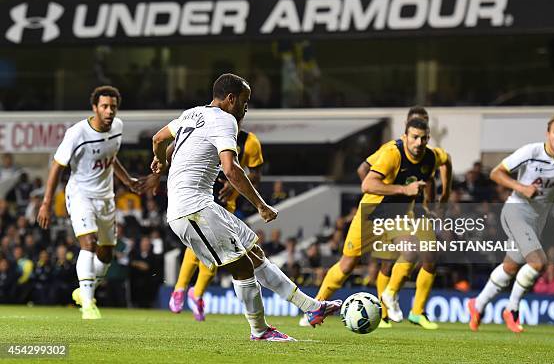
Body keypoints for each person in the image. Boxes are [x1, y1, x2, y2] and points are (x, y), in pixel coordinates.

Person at [150, 73, 340, 341]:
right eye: (245, 101)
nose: (246, 108)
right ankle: (260, 331)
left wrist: (161, 162)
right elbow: (231, 168)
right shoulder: (226, 120)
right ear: (230, 99)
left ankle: (312, 308)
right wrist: (261, 205)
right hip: (192, 210)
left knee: (255, 254)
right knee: (241, 267)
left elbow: (159, 139)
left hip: (202, 206)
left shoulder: (191, 114)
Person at [311, 107, 451, 329]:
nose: (419, 142)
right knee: (348, 264)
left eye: (424, 138)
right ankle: (315, 307)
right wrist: (403, 191)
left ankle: (390, 296)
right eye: (415, 137)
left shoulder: (430, 157)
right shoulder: (391, 153)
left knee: (413, 249)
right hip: (371, 212)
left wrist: (443, 197)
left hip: (397, 215)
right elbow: (366, 182)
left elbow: (445, 162)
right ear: (405, 135)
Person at [468, 113, 554, 333]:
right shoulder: (531, 152)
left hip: (538, 219)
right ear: (548, 134)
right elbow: (496, 173)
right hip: (515, 210)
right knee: (538, 262)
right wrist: (522, 188)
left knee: (510, 267)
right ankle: (511, 310)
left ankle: (478, 304)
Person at [37, 85, 149, 319]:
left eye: (113, 107)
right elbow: (57, 166)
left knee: (106, 254)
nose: (110, 111)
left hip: (106, 198)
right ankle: (88, 304)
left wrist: (127, 180)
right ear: (95, 108)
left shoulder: (117, 127)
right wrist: (46, 203)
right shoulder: (77, 133)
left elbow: (110, 157)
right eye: (105, 106)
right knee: (88, 243)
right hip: (81, 195)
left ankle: (84, 291)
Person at [168, 124, 265, 321]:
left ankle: (190, 292)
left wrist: (235, 183)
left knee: (212, 252)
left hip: (224, 203)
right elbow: (172, 150)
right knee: (201, 246)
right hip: (198, 195)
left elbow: (255, 173)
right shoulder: (206, 129)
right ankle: (185, 291)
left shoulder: (249, 141)